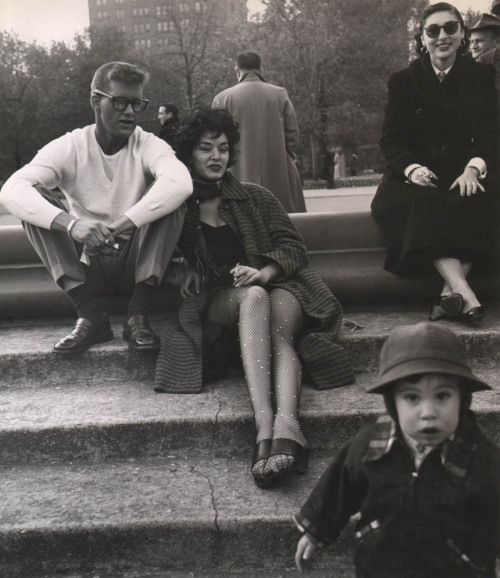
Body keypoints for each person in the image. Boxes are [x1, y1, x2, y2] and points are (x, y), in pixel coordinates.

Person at [153, 108, 354, 487]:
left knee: (270, 314)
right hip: (221, 300)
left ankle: (285, 428)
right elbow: (155, 261)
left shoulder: (254, 197)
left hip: (280, 288)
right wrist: (184, 267)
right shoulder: (178, 207)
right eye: (206, 148)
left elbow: (294, 248)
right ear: (187, 155)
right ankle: (265, 425)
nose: (217, 157)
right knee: (253, 299)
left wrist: (264, 271)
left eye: (224, 148)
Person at [0, 61, 192, 354]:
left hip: (136, 263)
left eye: (136, 103)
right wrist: (72, 225)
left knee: (171, 198)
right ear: (95, 101)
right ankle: (90, 315)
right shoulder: (71, 145)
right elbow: (12, 189)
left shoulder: (148, 144)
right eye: (119, 102)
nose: (129, 112)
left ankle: (137, 315)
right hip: (88, 266)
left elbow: (181, 183)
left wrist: (128, 221)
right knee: (34, 197)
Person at [294, 321, 500, 578]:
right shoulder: (371, 445)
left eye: (442, 396)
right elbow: (339, 487)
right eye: (412, 398)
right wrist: (316, 530)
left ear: (463, 397)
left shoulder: (481, 458)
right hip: (382, 564)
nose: (428, 413)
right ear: (392, 401)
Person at [371, 2, 497, 325]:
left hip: (461, 173)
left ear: (462, 33)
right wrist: (412, 169)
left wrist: (473, 167)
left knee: (481, 198)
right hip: (411, 178)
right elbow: (391, 140)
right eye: (433, 30)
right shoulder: (403, 81)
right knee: (424, 204)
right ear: (423, 39)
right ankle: (461, 291)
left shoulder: (481, 77)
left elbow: (490, 133)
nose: (442, 36)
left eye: (450, 28)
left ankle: (449, 295)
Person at [212, 52, 306, 213]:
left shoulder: (223, 98)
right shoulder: (279, 94)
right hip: (278, 169)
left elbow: (215, 140)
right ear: (261, 68)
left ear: (237, 69)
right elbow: (292, 136)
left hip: (238, 172)